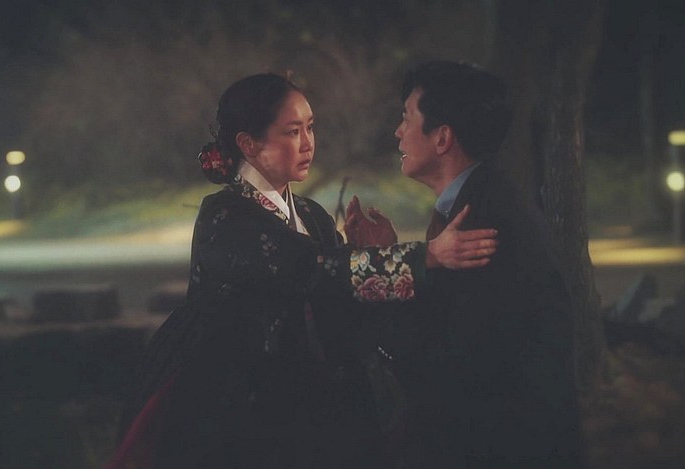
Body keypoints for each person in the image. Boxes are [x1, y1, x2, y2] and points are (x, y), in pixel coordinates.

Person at [107, 72, 498, 469]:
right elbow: (311, 269)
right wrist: (425, 256)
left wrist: (369, 252)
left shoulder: (311, 214)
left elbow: (335, 291)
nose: (308, 143)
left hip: (309, 393)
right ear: (249, 144)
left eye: (310, 128)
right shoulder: (224, 217)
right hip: (237, 399)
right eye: (292, 132)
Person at [345, 60, 585, 468]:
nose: (398, 132)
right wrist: (394, 257)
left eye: (407, 118)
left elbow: (447, 353)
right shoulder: (474, 201)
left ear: (442, 138)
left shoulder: (481, 223)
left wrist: (384, 280)